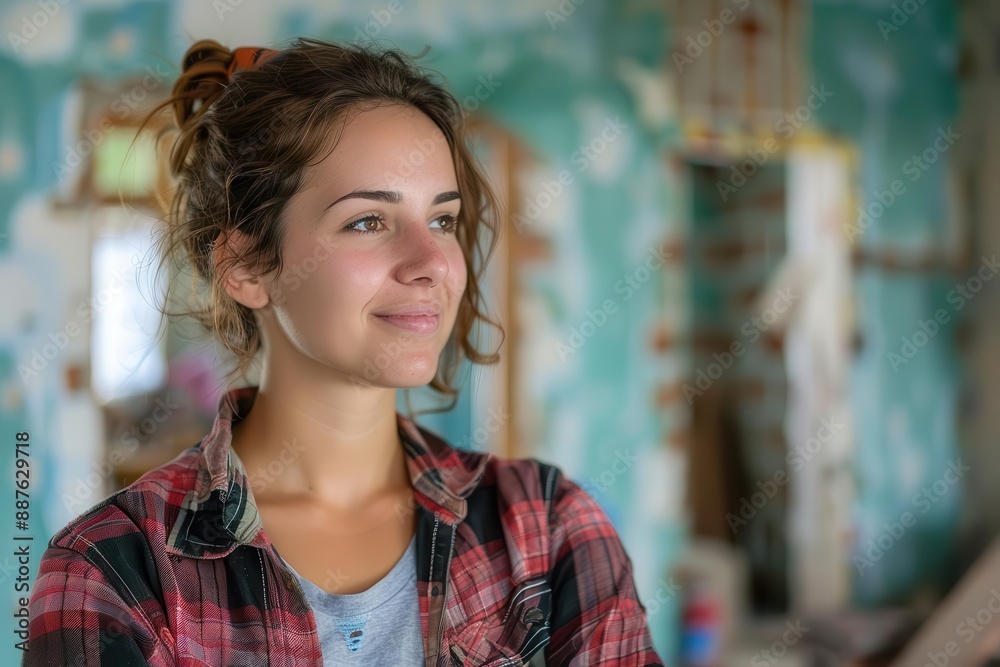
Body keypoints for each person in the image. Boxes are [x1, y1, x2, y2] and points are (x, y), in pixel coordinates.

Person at [23, 36, 665, 666]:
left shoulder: (549, 533)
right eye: (367, 221)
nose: (431, 264)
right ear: (247, 265)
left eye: (443, 220)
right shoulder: (114, 570)